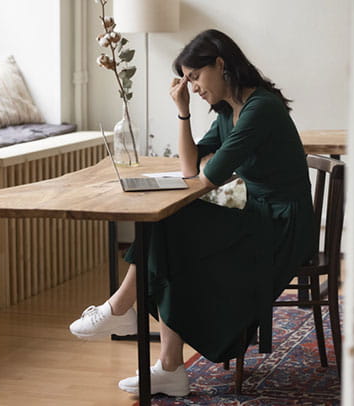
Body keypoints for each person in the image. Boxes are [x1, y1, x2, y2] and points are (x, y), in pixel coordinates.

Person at [69, 28, 315, 397]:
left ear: (220, 64)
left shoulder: (260, 107)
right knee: (170, 235)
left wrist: (193, 173)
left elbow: (209, 176)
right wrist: (183, 112)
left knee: (171, 224)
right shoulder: (229, 110)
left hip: (283, 225)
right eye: (187, 80)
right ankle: (167, 365)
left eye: (195, 77)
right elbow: (189, 168)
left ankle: (123, 311)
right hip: (260, 215)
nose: (193, 87)